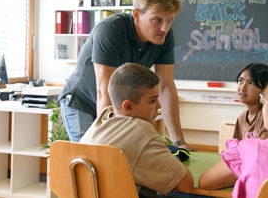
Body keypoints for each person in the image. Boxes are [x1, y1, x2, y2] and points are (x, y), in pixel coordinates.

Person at [59, 0, 194, 151]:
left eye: (169, 21)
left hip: (118, 106)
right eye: (157, 20)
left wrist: (179, 142)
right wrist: (108, 146)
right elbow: (104, 91)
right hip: (83, 102)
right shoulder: (110, 30)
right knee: (95, 158)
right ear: (136, 14)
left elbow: (166, 86)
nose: (164, 28)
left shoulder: (163, 35)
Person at [80, 63, 193, 196]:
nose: (159, 105)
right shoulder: (141, 130)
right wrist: (175, 160)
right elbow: (186, 184)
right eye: (152, 100)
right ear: (128, 107)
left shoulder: (104, 119)